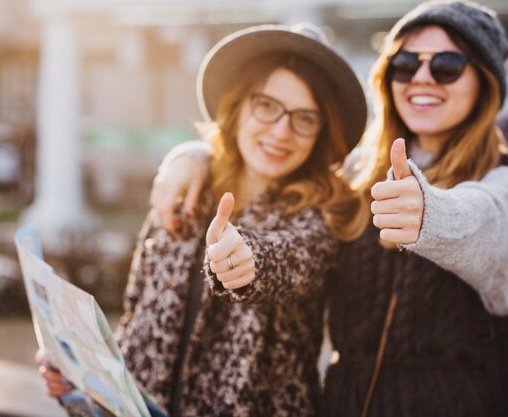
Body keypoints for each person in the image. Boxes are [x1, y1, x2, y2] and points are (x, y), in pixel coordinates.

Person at [150, 1, 508, 416]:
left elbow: (486, 221)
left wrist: (431, 212)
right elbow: (277, 160)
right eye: (406, 63)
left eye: (447, 65)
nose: (423, 78)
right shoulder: (359, 179)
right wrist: (192, 155)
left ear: (486, 84)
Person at [38, 23, 369, 417]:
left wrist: (247, 260)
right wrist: (81, 379)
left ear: (321, 133)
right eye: (266, 105)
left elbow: (291, 259)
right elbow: (137, 318)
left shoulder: (322, 218)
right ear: (238, 106)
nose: (282, 131)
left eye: (305, 118)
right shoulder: (186, 192)